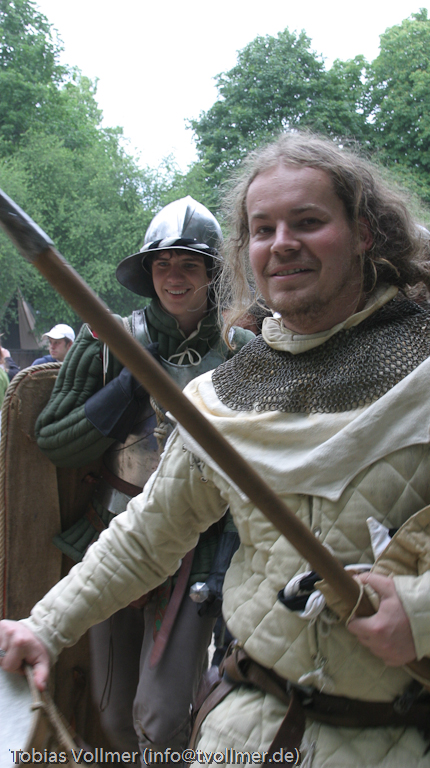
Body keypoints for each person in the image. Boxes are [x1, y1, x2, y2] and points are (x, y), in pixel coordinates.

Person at [2, 134, 430, 768]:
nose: (282, 243)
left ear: (364, 233)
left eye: (308, 222)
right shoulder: (223, 394)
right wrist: (45, 626)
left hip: (416, 736)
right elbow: (147, 536)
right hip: (246, 732)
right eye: (263, 229)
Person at [15, 196, 253, 756]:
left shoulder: (241, 349)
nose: (174, 276)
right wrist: (132, 378)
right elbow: (57, 441)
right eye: (163, 264)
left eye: (189, 264)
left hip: (202, 542)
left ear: (212, 274)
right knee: (113, 714)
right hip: (113, 532)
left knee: (163, 717)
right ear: (148, 273)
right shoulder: (106, 340)